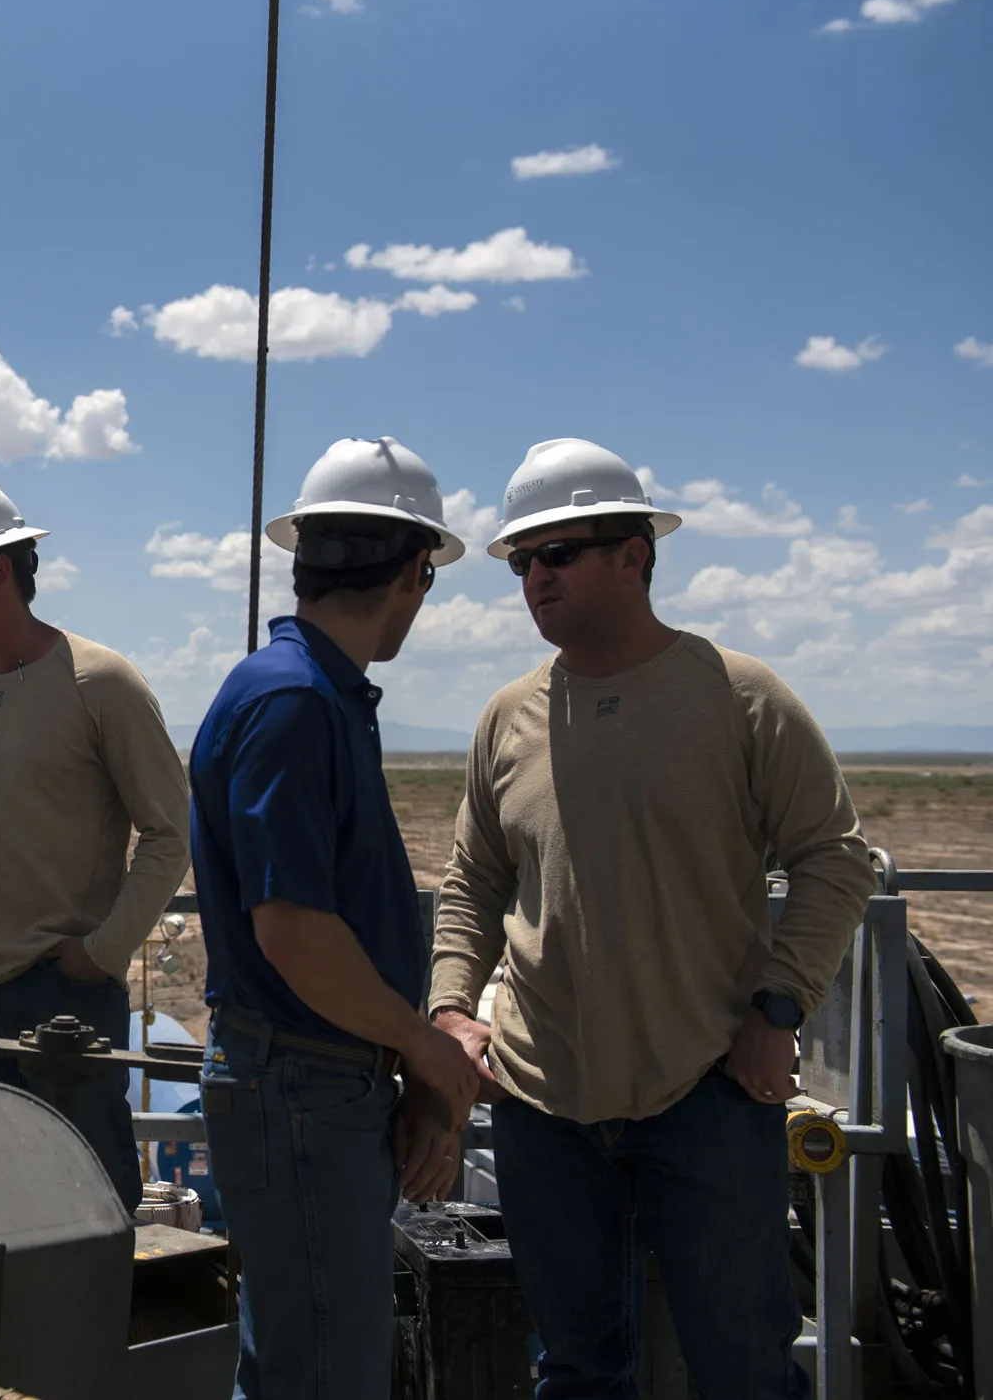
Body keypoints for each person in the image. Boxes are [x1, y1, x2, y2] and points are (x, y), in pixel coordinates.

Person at [428, 438, 872, 1400]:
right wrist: (453, 1009)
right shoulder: (508, 718)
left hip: (707, 1089)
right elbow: (473, 880)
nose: (535, 578)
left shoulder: (739, 697)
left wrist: (779, 1009)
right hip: (544, 1101)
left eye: (558, 553)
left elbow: (835, 856)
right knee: (579, 1373)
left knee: (743, 1369)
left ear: (634, 555)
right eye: (521, 560)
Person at [188, 437, 486, 1400]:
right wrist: (423, 1045)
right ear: (413, 571)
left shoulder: (315, 691)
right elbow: (296, 933)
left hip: (317, 1079)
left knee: (301, 1356)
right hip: (301, 1085)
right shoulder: (295, 701)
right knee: (324, 1370)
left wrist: (402, 1059)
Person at [0, 477, 189, 1212]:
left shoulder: (101, 684)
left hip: (64, 1001)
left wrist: (98, 954)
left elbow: (170, 833)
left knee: (85, 1207)